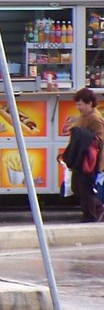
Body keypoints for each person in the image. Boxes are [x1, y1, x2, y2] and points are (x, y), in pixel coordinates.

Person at [58, 87, 104, 222]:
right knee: (76, 187)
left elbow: (100, 139)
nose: (78, 107)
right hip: (80, 157)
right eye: (77, 104)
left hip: (89, 160)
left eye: (80, 104)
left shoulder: (94, 118)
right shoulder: (83, 116)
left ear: (89, 103)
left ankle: (90, 214)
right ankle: (96, 208)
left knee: (84, 187)